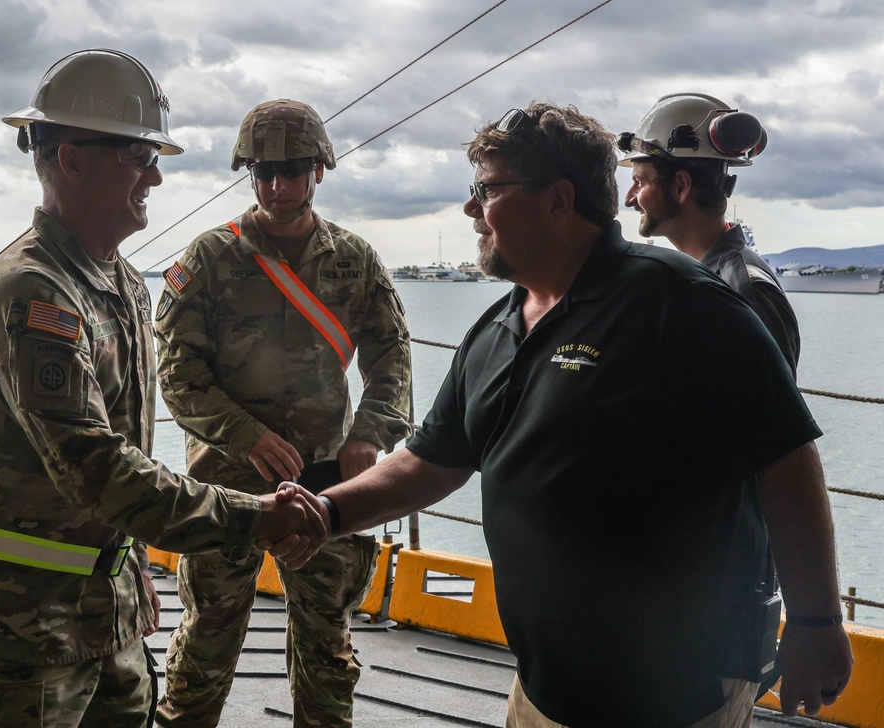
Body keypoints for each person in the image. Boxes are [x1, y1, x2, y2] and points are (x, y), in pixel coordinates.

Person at [311, 101, 853, 727]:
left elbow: (786, 460)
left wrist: (816, 623)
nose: (469, 210)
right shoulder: (496, 329)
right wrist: (326, 512)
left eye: (486, 191)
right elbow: (431, 462)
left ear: (558, 200)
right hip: (544, 688)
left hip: (672, 694)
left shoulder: (685, 305)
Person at [0, 50, 326, 728]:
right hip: (25, 630)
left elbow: (122, 463)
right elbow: (100, 469)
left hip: (105, 612)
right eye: (138, 155)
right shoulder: (31, 295)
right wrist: (257, 517)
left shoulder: (118, 282)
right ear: (71, 159)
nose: (154, 175)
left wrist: (127, 565)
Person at [153, 99, 412, 726]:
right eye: (263, 171)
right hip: (227, 482)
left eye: (292, 169)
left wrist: (369, 437)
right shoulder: (211, 259)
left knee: (326, 643)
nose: (277, 184)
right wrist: (245, 436)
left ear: (319, 169)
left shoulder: (354, 260)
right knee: (208, 638)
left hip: (327, 481)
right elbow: (177, 373)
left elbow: (392, 360)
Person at [619, 92, 799, 374]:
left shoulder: (741, 289)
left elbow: (765, 413)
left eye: (640, 182)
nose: (630, 199)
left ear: (681, 186)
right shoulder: (706, 276)